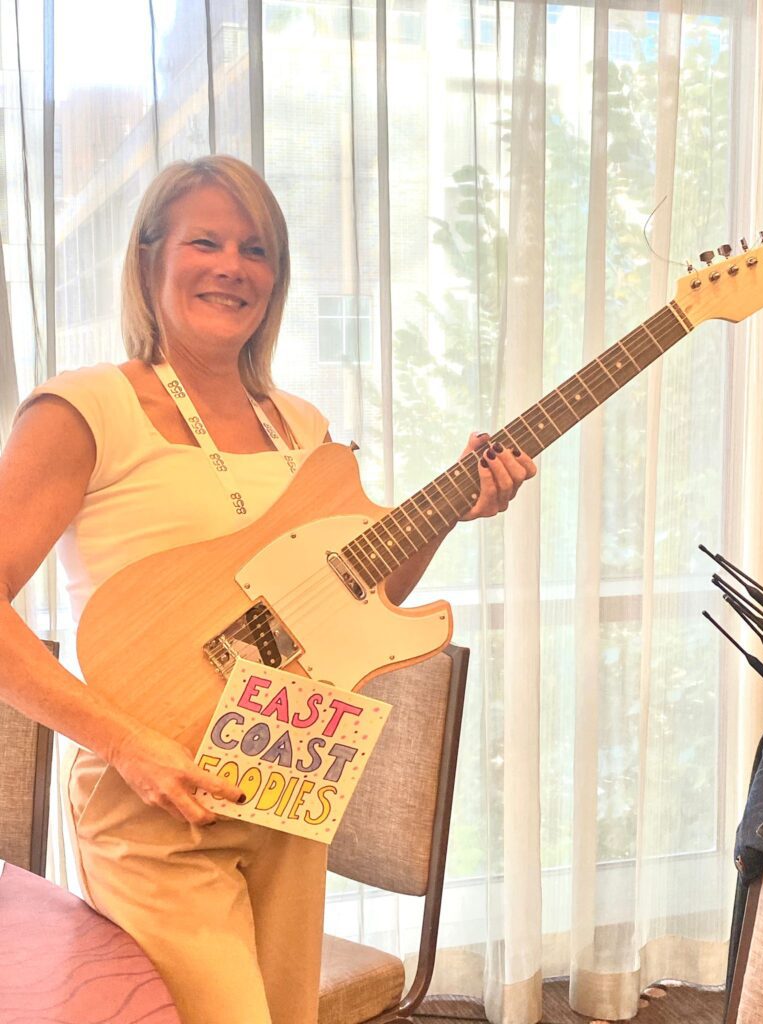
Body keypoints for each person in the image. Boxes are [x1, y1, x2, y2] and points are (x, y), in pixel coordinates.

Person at [0, 154, 536, 1024]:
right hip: (154, 797)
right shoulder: (84, 408)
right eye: (204, 241)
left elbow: (352, 600)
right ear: (147, 261)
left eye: (257, 250)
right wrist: (127, 745)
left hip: (288, 784)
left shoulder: (304, 429)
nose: (233, 267)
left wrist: (446, 510)